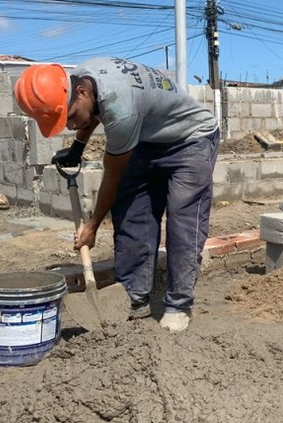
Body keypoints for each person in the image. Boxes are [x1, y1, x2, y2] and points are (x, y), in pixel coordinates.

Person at [14, 57, 219, 332]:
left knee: (183, 219)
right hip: (146, 138)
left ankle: (179, 304)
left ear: (82, 92)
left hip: (191, 139)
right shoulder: (79, 79)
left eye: (70, 117)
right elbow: (94, 112)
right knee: (133, 214)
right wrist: (77, 147)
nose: (71, 125)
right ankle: (134, 297)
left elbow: (113, 176)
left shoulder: (121, 106)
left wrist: (93, 226)